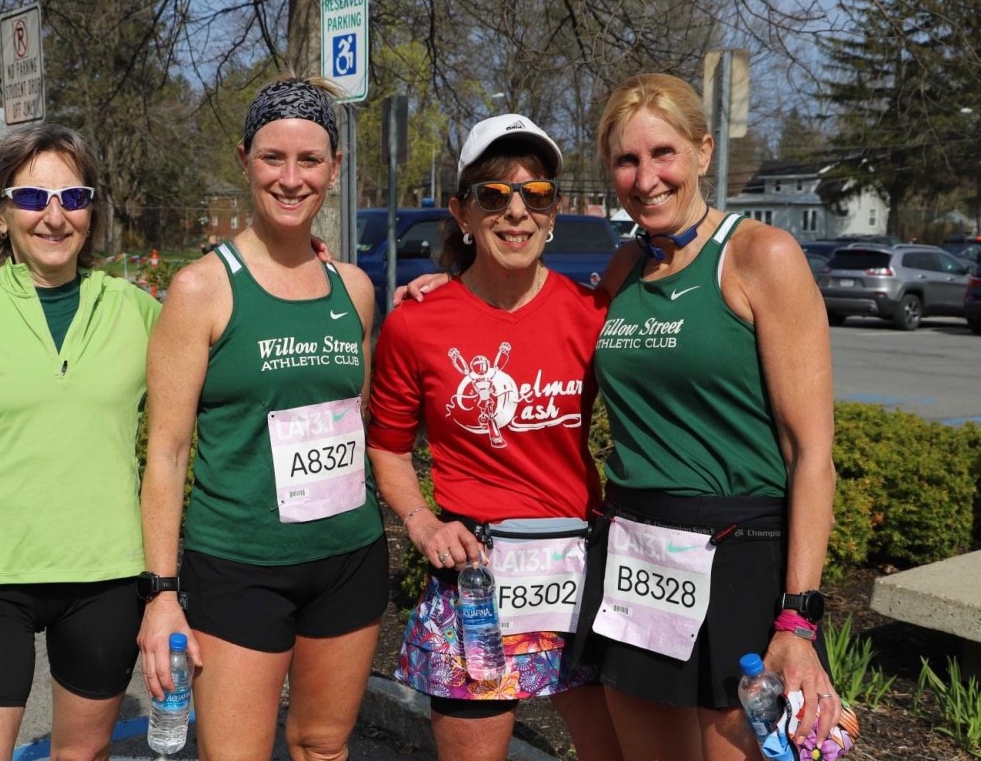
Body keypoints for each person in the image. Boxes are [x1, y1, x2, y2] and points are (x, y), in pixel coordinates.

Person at [398, 74, 843, 761]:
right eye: (626, 161)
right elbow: (527, 321)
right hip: (635, 554)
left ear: (703, 150)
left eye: (663, 153)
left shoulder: (764, 256)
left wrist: (799, 617)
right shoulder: (627, 265)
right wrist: (449, 288)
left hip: (738, 554)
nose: (646, 177)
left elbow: (812, 455)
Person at [137, 75, 387, 761]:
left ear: (334, 167)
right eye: (273, 157)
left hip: (348, 558)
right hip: (240, 566)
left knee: (323, 747)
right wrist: (161, 593)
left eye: (310, 160)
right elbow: (167, 452)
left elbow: (356, 415)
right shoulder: (200, 289)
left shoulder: (354, 289)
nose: (291, 178)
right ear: (245, 159)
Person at [0, 123, 161, 760]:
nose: (54, 216)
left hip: (106, 579)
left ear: (91, 211)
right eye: (33, 198)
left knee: (82, 755)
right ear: (0, 213)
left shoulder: (138, 310)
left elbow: (227, 357)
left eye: (73, 198)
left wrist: (295, 263)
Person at [367, 114, 621, 761]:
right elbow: (388, 446)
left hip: (579, 570)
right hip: (475, 577)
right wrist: (422, 523)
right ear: (462, 213)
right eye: (493, 195)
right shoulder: (416, 324)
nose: (516, 212)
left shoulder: (592, 315)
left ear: (554, 211)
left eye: (536, 194)